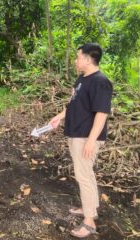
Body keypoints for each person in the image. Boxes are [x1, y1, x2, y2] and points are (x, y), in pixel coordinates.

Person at [49, 43, 113, 238]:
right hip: (76, 133)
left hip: (86, 137)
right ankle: (89, 208)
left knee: (84, 176)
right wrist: (59, 116)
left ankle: (89, 222)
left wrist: (91, 141)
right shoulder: (82, 79)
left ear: (87, 59)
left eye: (78, 57)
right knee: (85, 174)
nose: (75, 61)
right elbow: (74, 103)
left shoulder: (101, 82)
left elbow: (101, 114)